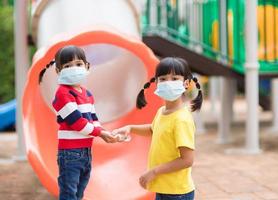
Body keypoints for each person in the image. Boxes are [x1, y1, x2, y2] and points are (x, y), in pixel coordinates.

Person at [113, 57, 203, 200]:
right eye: (163, 79)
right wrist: (130, 128)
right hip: (163, 188)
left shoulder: (181, 120)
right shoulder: (162, 111)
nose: (168, 83)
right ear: (156, 83)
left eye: (174, 79)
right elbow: (155, 130)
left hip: (176, 192)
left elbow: (187, 160)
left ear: (185, 83)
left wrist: (154, 172)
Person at [39, 45, 118, 200]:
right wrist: (100, 133)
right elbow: (77, 123)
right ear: (58, 71)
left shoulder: (87, 93)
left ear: (87, 66)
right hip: (70, 153)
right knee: (69, 193)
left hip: (86, 152)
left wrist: (104, 132)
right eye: (67, 66)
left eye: (78, 64)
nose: (73, 69)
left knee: (79, 192)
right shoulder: (62, 94)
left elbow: (93, 118)